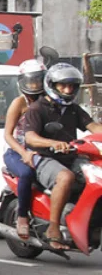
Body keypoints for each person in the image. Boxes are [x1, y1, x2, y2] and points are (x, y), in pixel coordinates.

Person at [23, 63, 102, 250]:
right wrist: (53, 143)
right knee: (65, 177)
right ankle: (53, 228)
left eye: (72, 86)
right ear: (52, 85)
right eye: (63, 85)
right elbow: (30, 137)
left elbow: (94, 127)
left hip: (71, 157)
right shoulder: (37, 109)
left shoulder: (73, 109)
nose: (68, 90)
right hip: (44, 158)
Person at [2, 60, 46, 240]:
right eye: (31, 81)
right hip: (17, 153)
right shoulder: (19, 103)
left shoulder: (50, 101)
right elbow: (8, 135)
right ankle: (22, 217)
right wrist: (24, 153)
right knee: (27, 174)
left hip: (43, 151)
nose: (34, 85)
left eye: (38, 80)